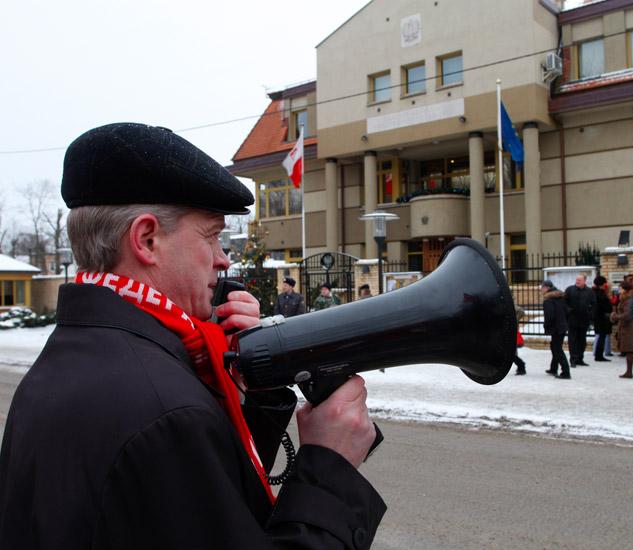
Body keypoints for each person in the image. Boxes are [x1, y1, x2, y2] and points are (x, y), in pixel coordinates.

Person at [0, 123, 385, 549]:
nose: (224, 260)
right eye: (212, 236)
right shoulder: (166, 411)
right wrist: (330, 466)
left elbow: (196, 504)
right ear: (147, 240)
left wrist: (253, 387)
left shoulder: (66, 362)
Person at [611, 278, 633, 379]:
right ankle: (629, 372)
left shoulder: (629, 300)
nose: (619, 290)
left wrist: (616, 316)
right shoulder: (625, 299)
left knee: (629, 351)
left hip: (629, 328)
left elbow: (628, 314)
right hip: (626, 327)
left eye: (620, 288)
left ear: (625, 290)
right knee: (629, 351)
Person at [564, 274, 596, 368]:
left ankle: (580, 359)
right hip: (572, 319)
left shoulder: (589, 291)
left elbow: (594, 304)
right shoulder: (570, 290)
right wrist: (569, 311)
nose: (577, 281)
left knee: (582, 341)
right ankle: (573, 359)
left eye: (579, 280)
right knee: (572, 341)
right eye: (577, 279)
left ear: (584, 281)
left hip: (584, 319)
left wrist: (590, 314)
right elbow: (564, 302)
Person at [542, 280, 571, 379]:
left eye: (542, 287)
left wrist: (546, 326)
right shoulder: (559, 297)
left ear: (547, 288)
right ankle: (553, 368)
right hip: (561, 326)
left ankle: (566, 372)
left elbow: (549, 316)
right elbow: (567, 311)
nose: (541, 290)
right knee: (554, 347)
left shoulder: (548, 300)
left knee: (557, 349)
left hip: (556, 328)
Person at [591, 276, 613, 363]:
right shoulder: (600, 294)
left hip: (598, 317)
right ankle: (599, 355)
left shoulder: (594, 292)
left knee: (601, 336)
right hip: (602, 317)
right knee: (602, 336)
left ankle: (598, 354)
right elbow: (606, 306)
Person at [513, 305, 527, 375]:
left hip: (509, 331)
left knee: (509, 352)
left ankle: (521, 365)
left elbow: (521, 311)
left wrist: (513, 320)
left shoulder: (507, 304)